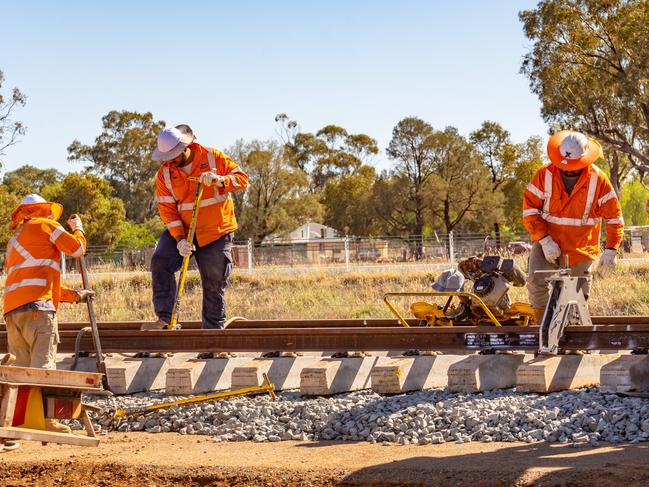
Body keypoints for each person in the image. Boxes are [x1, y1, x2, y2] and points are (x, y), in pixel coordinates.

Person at [145, 124, 248, 337]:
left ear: (184, 147)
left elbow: (242, 179)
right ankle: (166, 318)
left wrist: (221, 180)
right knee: (160, 260)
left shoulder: (212, 156)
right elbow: (167, 210)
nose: (169, 161)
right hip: (184, 229)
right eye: (166, 157)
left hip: (216, 230)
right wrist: (180, 239)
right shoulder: (164, 174)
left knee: (213, 278)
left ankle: (213, 335)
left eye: (173, 156)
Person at [3, 194, 92, 435]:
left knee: (21, 370)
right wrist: (78, 229)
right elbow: (77, 249)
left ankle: (18, 420)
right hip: (38, 311)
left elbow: (35, 281)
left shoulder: (15, 241)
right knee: (43, 367)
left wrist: (74, 296)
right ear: (43, 210)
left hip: (13, 311)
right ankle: (46, 420)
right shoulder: (46, 226)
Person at [523, 130, 624, 325]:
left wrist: (611, 251)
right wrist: (544, 240)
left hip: (581, 246)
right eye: (565, 167)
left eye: (574, 168)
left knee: (576, 292)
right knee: (536, 281)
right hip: (548, 243)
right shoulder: (544, 175)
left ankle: (574, 336)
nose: (569, 171)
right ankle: (543, 330)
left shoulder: (599, 180)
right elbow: (530, 211)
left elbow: (614, 218)